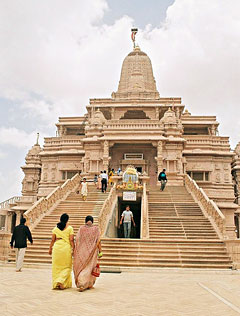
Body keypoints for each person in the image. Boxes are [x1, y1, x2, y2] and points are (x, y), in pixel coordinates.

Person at [73, 215, 102, 292]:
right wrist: (100, 251)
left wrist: (76, 250)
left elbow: (77, 239)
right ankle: (85, 283)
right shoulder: (96, 229)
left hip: (82, 251)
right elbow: (98, 241)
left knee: (82, 267)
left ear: (85, 221)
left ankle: (82, 283)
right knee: (89, 267)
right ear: (92, 221)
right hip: (92, 252)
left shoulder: (81, 229)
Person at [49, 213, 74, 290]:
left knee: (56, 267)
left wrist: (50, 249)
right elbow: (71, 240)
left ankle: (57, 282)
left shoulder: (55, 229)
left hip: (57, 248)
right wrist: (74, 248)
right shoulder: (70, 228)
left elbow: (53, 240)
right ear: (67, 220)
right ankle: (61, 281)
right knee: (67, 266)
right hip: (66, 248)